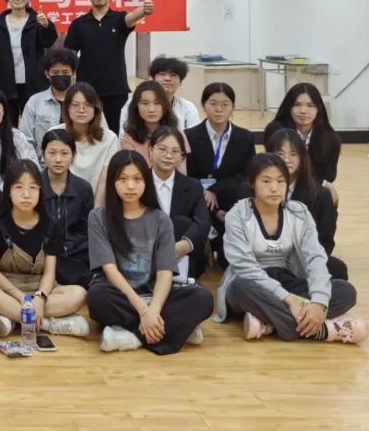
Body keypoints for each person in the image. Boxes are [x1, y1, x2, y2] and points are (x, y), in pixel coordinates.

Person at [214, 154, 366, 344]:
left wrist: (319, 303)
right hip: (252, 283)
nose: (274, 188)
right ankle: (322, 330)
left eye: (281, 181)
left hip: (287, 279)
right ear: (252, 183)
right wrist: (289, 300)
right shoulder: (237, 215)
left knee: (345, 290)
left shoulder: (299, 212)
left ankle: (270, 323)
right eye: (266, 181)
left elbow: (315, 257)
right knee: (239, 288)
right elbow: (246, 268)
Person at [86, 151, 214, 354]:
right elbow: (110, 270)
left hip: (155, 295)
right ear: (112, 182)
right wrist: (143, 311)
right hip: (120, 295)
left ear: (146, 182)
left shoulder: (161, 219)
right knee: (96, 298)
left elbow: (165, 272)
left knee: (203, 298)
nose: (130, 186)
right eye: (122, 179)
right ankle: (174, 329)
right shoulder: (98, 217)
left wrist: (153, 310)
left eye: (137, 179)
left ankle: (131, 336)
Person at [0, 159, 90, 339]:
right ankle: (46, 324)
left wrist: (40, 297)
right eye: (18, 187)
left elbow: (49, 273)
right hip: (7, 289)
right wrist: (23, 299)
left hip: (40, 288)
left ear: (40, 191)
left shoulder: (51, 224)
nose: (26, 194)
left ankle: (11, 317)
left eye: (32, 187)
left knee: (79, 294)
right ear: (8, 191)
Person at [64, 0, 154, 133]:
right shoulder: (78, 24)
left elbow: (131, 17)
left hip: (116, 90)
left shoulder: (119, 19)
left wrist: (144, 10)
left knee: (115, 133)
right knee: (86, 132)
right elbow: (68, 56)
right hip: (86, 91)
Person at [266, 129, 348, 281]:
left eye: (293, 154)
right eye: (280, 154)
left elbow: (325, 241)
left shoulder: (320, 195)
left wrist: (300, 262)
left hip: (304, 261)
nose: (287, 160)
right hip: (266, 260)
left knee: (337, 269)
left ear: (302, 157)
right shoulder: (252, 190)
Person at [0, 0, 58, 121]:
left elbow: (48, 42)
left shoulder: (37, 20)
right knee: (7, 124)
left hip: (33, 82)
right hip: (6, 83)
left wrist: (46, 27)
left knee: (35, 122)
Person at [147, 126, 211, 280]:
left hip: (181, 254)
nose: (168, 156)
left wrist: (185, 245)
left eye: (175, 151)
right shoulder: (139, 182)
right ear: (150, 151)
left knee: (181, 223)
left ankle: (183, 281)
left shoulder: (193, 185)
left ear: (182, 157)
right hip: (145, 251)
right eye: (162, 149)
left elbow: (203, 221)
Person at [185, 82, 256, 220]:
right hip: (198, 201)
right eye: (213, 104)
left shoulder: (245, 137)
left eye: (225, 104)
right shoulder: (189, 136)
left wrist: (215, 188)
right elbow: (187, 175)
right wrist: (208, 200)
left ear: (233, 107)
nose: (219, 109)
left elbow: (247, 174)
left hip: (233, 202)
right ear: (203, 106)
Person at [263, 83, 341, 206]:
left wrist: (325, 184)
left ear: (319, 108)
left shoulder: (330, 138)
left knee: (329, 195)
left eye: (310, 105)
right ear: (289, 107)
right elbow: (274, 166)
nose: (303, 111)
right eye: (297, 105)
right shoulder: (275, 131)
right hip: (280, 184)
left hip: (313, 188)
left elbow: (329, 175)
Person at [39, 129, 95, 287]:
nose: (58, 159)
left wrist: (66, 246)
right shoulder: (34, 185)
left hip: (72, 252)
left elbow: (85, 231)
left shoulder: (83, 188)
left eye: (64, 153)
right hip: (41, 250)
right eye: (52, 153)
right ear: (43, 155)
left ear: (73, 155)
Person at [57, 82, 120, 204]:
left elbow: (104, 181)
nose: (81, 110)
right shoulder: (56, 134)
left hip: (98, 204)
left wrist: (95, 211)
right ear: (67, 108)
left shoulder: (109, 138)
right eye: (75, 105)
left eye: (87, 105)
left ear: (96, 108)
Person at [119, 56, 200, 131]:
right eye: (162, 74)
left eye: (173, 75)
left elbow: (195, 138)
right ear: (152, 79)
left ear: (180, 82)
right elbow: (124, 134)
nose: (167, 78)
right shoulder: (134, 103)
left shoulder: (187, 107)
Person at [19, 47, 78, 151]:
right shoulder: (34, 102)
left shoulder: (85, 100)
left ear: (73, 73)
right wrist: (34, 161)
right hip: (42, 160)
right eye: (55, 72)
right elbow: (25, 140)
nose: (60, 76)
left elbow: (101, 132)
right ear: (47, 74)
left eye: (65, 72)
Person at [120, 80, 190, 165]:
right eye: (145, 103)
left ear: (165, 105)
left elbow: (182, 170)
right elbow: (133, 170)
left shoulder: (178, 134)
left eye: (157, 103)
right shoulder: (127, 138)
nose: (151, 109)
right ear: (136, 106)